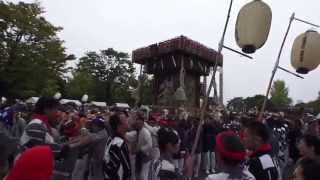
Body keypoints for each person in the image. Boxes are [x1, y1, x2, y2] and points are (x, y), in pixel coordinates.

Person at [103, 112, 131, 180]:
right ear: (119, 126)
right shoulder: (119, 143)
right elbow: (126, 169)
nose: (128, 122)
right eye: (126, 120)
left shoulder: (111, 139)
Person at [134, 112, 153, 180]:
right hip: (140, 155)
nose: (138, 125)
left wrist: (140, 149)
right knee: (139, 172)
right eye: (137, 123)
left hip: (145, 155)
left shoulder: (146, 132)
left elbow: (150, 145)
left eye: (139, 123)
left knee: (143, 175)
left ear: (142, 124)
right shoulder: (138, 131)